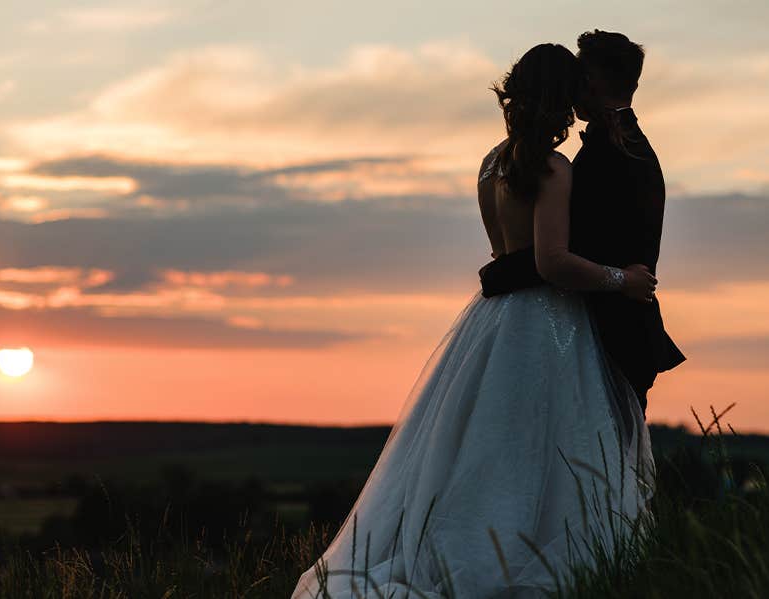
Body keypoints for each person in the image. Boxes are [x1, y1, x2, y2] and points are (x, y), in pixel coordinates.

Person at [290, 43, 655, 599]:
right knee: (542, 452)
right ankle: (512, 557)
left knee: (485, 450)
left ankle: (470, 545)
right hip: (546, 323)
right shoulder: (554, 169)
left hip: (493, 319)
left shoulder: (491, 164)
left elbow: (503, 251)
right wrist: (620, 280)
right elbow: (549, 262)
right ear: (561, 98)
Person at [479, 30, 685, 415]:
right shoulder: (582, 157)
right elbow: (558, 253)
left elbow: (569, 250)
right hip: (563, 327)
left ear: (590, 81)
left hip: (612, 333)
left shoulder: (609, 155)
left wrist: (497, 276)